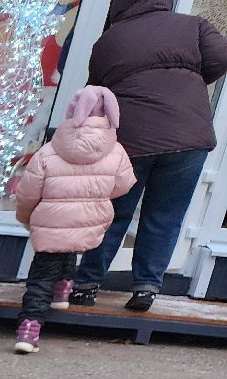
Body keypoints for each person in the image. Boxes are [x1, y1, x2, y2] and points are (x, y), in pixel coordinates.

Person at [69, 0, 227, 312]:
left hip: (131, 139)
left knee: (113, 213)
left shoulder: (109, 41)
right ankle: (145, 288)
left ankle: (86, 284)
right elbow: (221, 57)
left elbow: (96, 92)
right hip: (189, 138)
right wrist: (191, 79)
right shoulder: (193, 26)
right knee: (165, 217)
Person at [12, 86, 136, 354]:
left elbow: (28, 192)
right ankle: (64, 287)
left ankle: (29, 327)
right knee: (70, 244)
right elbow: (125, 184)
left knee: (41, 274)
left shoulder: (49, 150)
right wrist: (95, 194)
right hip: (90, 218)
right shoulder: (116, 152)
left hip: (51, 221)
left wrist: (27, 218)